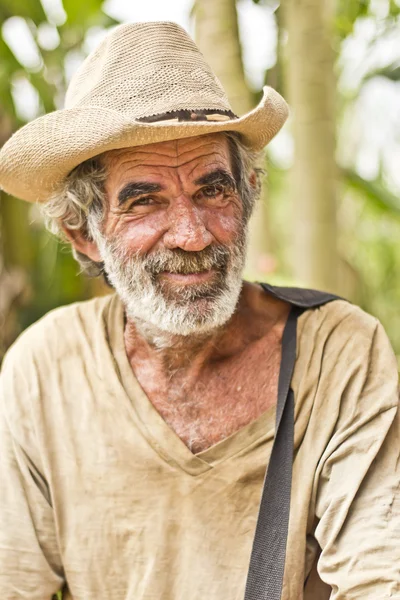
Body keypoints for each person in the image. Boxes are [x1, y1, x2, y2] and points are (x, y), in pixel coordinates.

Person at [0, 21, 399, 600]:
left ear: (248, 194)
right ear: (83, 234)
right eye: (144, 202)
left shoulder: (339, 352)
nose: (191, 235)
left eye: (214, 191)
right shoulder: (44, 370)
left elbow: (379, 577)